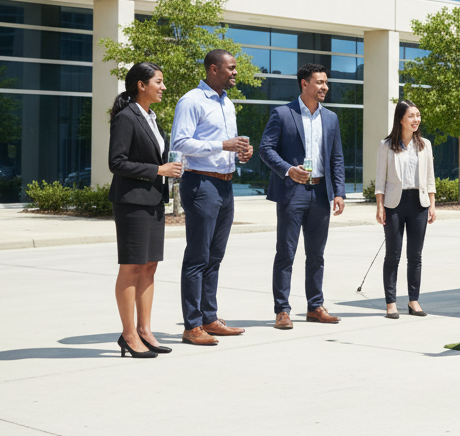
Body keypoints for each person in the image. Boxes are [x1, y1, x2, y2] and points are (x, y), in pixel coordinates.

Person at [171, 50, 253, 346]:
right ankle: (191, 325)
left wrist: (241, 153)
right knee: (198, 256)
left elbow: (225, 148)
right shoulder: (191, 100)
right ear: (213, 69)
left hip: (225, 186)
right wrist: (222, 144)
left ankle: (209, 318)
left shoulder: (227, 104)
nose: (235, 73)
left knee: (215, 258)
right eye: (231, 68)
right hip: (201, 184)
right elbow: (180, 142)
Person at [259, 63, 346, 329]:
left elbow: (337, 158)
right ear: (304, 84)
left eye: (326, 82)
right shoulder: (283, 114)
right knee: (286, 252)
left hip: (321, 193)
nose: (325, 87)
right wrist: (287, 170)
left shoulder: (330, 118)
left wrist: (339, 192)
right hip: (292, 192)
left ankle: (315, 306)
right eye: (320, 82)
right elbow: (266, 148)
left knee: (316, 255)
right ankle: (282, 310)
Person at [108, 62, 182, 358]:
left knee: (150, 266)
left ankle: (145, 330)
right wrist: (158, 169)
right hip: (132, 203)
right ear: (141, 84)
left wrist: (168, 169)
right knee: (132, 266)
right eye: (159, 82)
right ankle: (128, 334)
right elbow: (116, 162)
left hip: (153, 201)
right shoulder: (126, 118)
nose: (163, 87)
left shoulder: (151, 117)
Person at [375, 100, 437, 319]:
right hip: (394, 204)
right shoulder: (386, 145)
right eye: (411, 116)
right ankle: (391, 303)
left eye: (418, 115)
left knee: (415, 256)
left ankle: (413, 301)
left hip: (418, 203)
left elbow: (430, 177)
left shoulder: (425, 145)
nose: (416, 120)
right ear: (400, 119)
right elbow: (380, 180)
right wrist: (380, 206)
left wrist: (432, 204)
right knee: (393, 254)